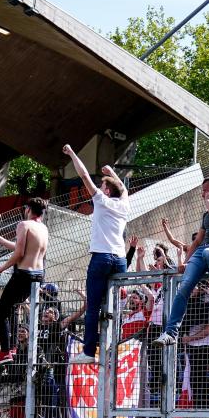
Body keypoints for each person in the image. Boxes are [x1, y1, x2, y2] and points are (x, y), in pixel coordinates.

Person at [154, 175, 209, 346]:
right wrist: (185, 261)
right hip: (202, 251)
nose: (202, 195)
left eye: (205, 191)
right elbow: (197, 242)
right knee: (184, 288)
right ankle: (170, 333)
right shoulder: (206, 214)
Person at [64, 144, 130, 363]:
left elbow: (84, 175)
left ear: (107, 191)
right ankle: (113, 347)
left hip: (102, 256)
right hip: (120, 259)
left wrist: (72, 153)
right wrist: (112, 172)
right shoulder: (124, 205)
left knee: (93, 307)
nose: (100, 188)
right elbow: (123, 189)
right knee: (113, 306)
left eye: (103, 185)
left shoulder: (102, 200)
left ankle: (89, 351)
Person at [0, 197, 50, 365]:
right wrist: (0, 239)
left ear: (28, 209)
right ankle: (13, 347)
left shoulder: (24, 225)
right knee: (13, 307)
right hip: (38, 275)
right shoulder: (43, 228)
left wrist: (1, 268)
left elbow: (19, 253)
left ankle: (5, 351)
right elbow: (23, 248)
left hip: (23, 274)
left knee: (1, 312)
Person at [180, 280, 209, 407]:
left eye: (193, 286)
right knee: (194, 381)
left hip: (203, 347)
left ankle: (203, 410)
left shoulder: (207, 301)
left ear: (200, 287)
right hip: (192, 347)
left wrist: (189, 338)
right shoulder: (191, 301)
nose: (191, 289)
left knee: (201, 381)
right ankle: (196, 410)